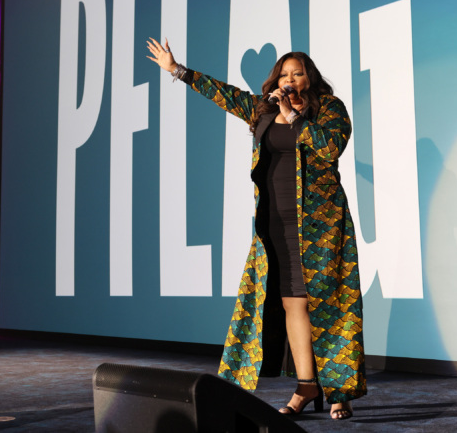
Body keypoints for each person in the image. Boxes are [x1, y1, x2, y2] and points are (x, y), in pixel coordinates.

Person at [146, 38, 366, 420]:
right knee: (291, 303)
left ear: (309, 78)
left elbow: (330, 148)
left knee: (328, 305)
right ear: (276, 79)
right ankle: (306, 384)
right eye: (285, 74)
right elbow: (225, 95)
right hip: (275, 222)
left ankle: (339, 392)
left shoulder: (329, 109)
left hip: (321, 225)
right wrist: (178, 71)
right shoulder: (262, 110)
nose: (291, 79)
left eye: (298, 74)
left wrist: (296, 116)